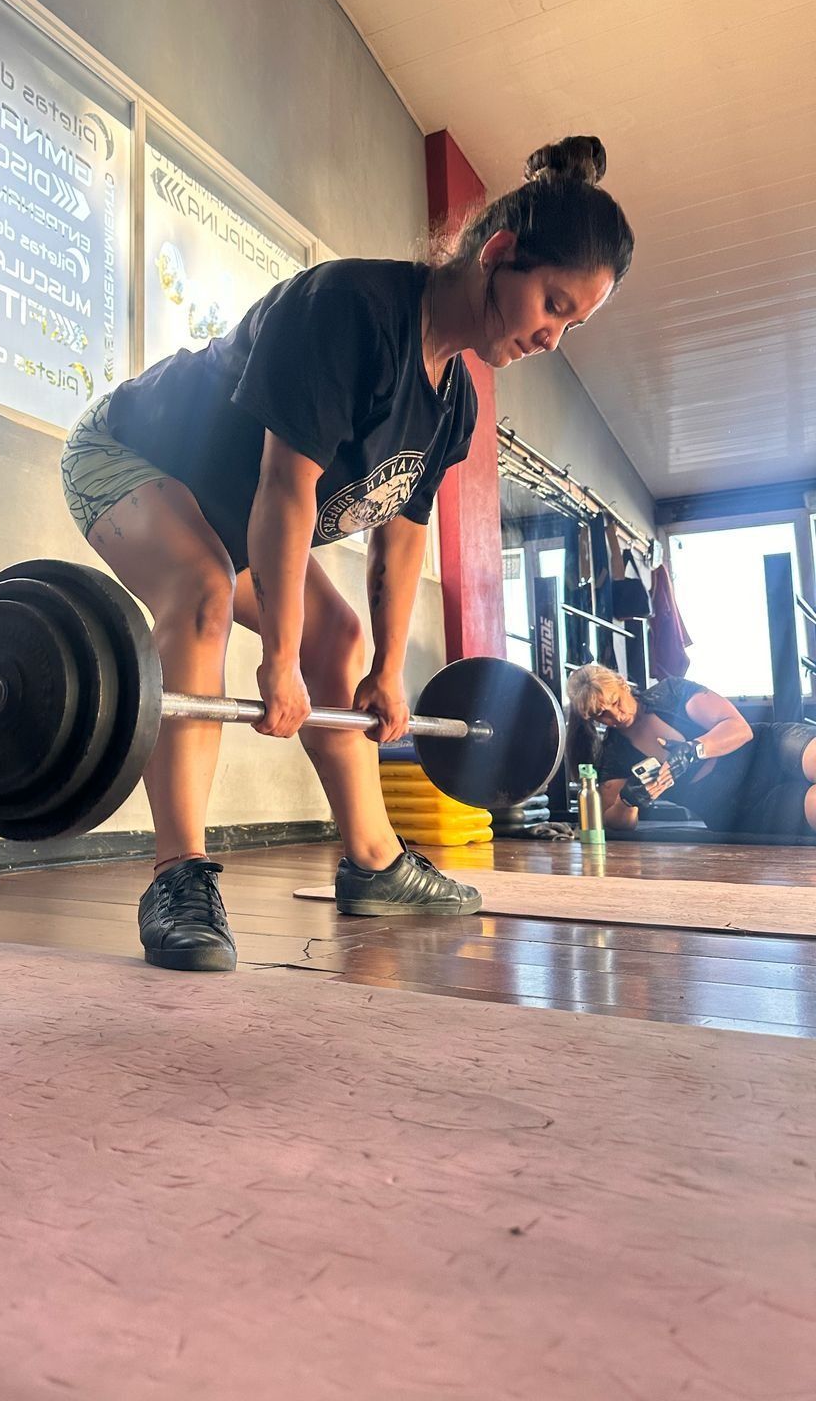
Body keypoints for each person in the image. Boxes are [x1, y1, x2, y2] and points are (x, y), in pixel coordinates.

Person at [61, 135, 635, 971]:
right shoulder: (350, 310)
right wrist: (278, 660)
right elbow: (285, 491)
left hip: (225, 512)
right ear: (499, 254)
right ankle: (177, 876)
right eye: (552, 304)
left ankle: (374, 864)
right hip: (126, 452)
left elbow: (400, 538)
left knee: (341, 640)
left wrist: (388, 671)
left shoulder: (455, 405)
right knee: (203, 590)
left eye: (570, 323)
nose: (552, 337)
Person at [566, 663, 816, 838]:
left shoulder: (671, 692)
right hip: (741, 810)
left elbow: (740, 729)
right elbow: (614, 822)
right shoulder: (614, 756)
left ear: (623, 684)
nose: (617, 716)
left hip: (769, 751)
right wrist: (628, 800)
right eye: (602, 714)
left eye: (616, 702)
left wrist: (693, 750)